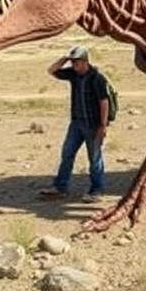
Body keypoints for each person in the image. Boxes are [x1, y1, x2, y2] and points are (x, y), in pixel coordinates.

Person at [39, 46, 110, 203]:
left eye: (77, 62)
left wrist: (103, 126)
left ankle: (96, 190)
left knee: (95, 158)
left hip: (93, 125)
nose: (74, 66)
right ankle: (60, 187)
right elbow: (51, 70)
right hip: (76, 124)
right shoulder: (73, 75)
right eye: (73, 63)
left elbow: (104, 102)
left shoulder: (97, 78)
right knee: (67, 154)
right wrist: (65, 58)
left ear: (85, 61)